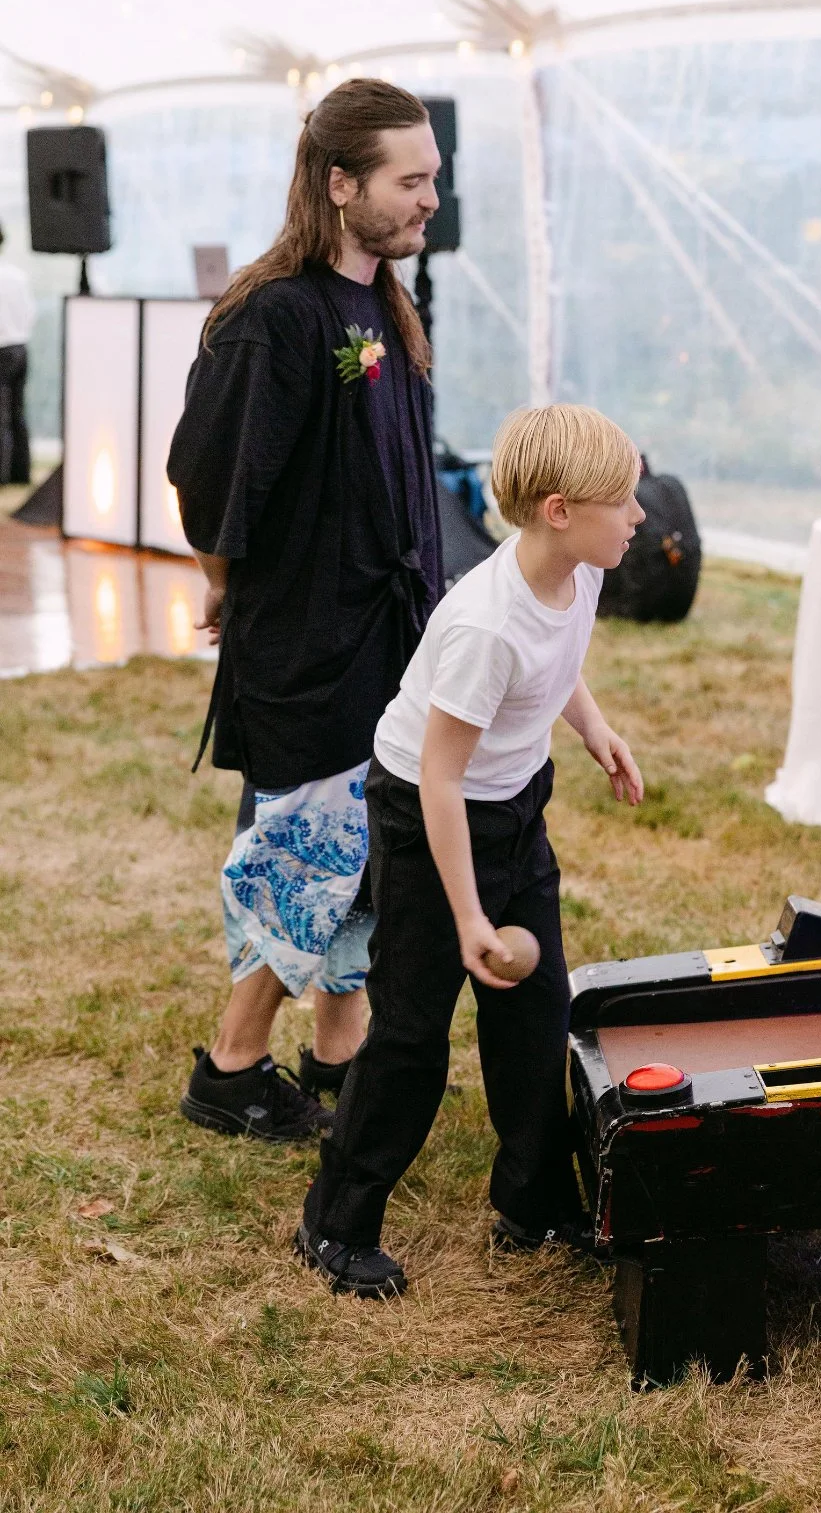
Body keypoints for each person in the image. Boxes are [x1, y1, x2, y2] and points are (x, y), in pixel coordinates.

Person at [296, 403, 646, 1297]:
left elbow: (560, 663)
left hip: (516, 804)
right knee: (412, 1032)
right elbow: (441, 780)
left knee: (537, 1013)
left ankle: (532, 1200)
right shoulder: (482, 627)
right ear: (560, 509)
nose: (640, 516)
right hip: (426, 815)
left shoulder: (582, 570)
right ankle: (334, 1221)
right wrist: (465, 916)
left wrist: (596, 729)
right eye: (625, 501)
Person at [167, 79, 445, 1143]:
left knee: (366, 846)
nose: (429, 200)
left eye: (432, 178)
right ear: (340, 186)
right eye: (408, 181)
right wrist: (226, 583)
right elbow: (211, 478)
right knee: (306, 850)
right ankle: (232, 1067)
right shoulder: (271, 317)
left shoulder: (383, 305)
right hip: (307, 642)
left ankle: (340, 1048)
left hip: (384, 632)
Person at [0, 222, 34, 486]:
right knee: (18, 413)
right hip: (21, 348)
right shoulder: (17, 276)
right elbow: (29, 314)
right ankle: (20, 474)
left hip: (1, 350)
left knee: (0, 418)